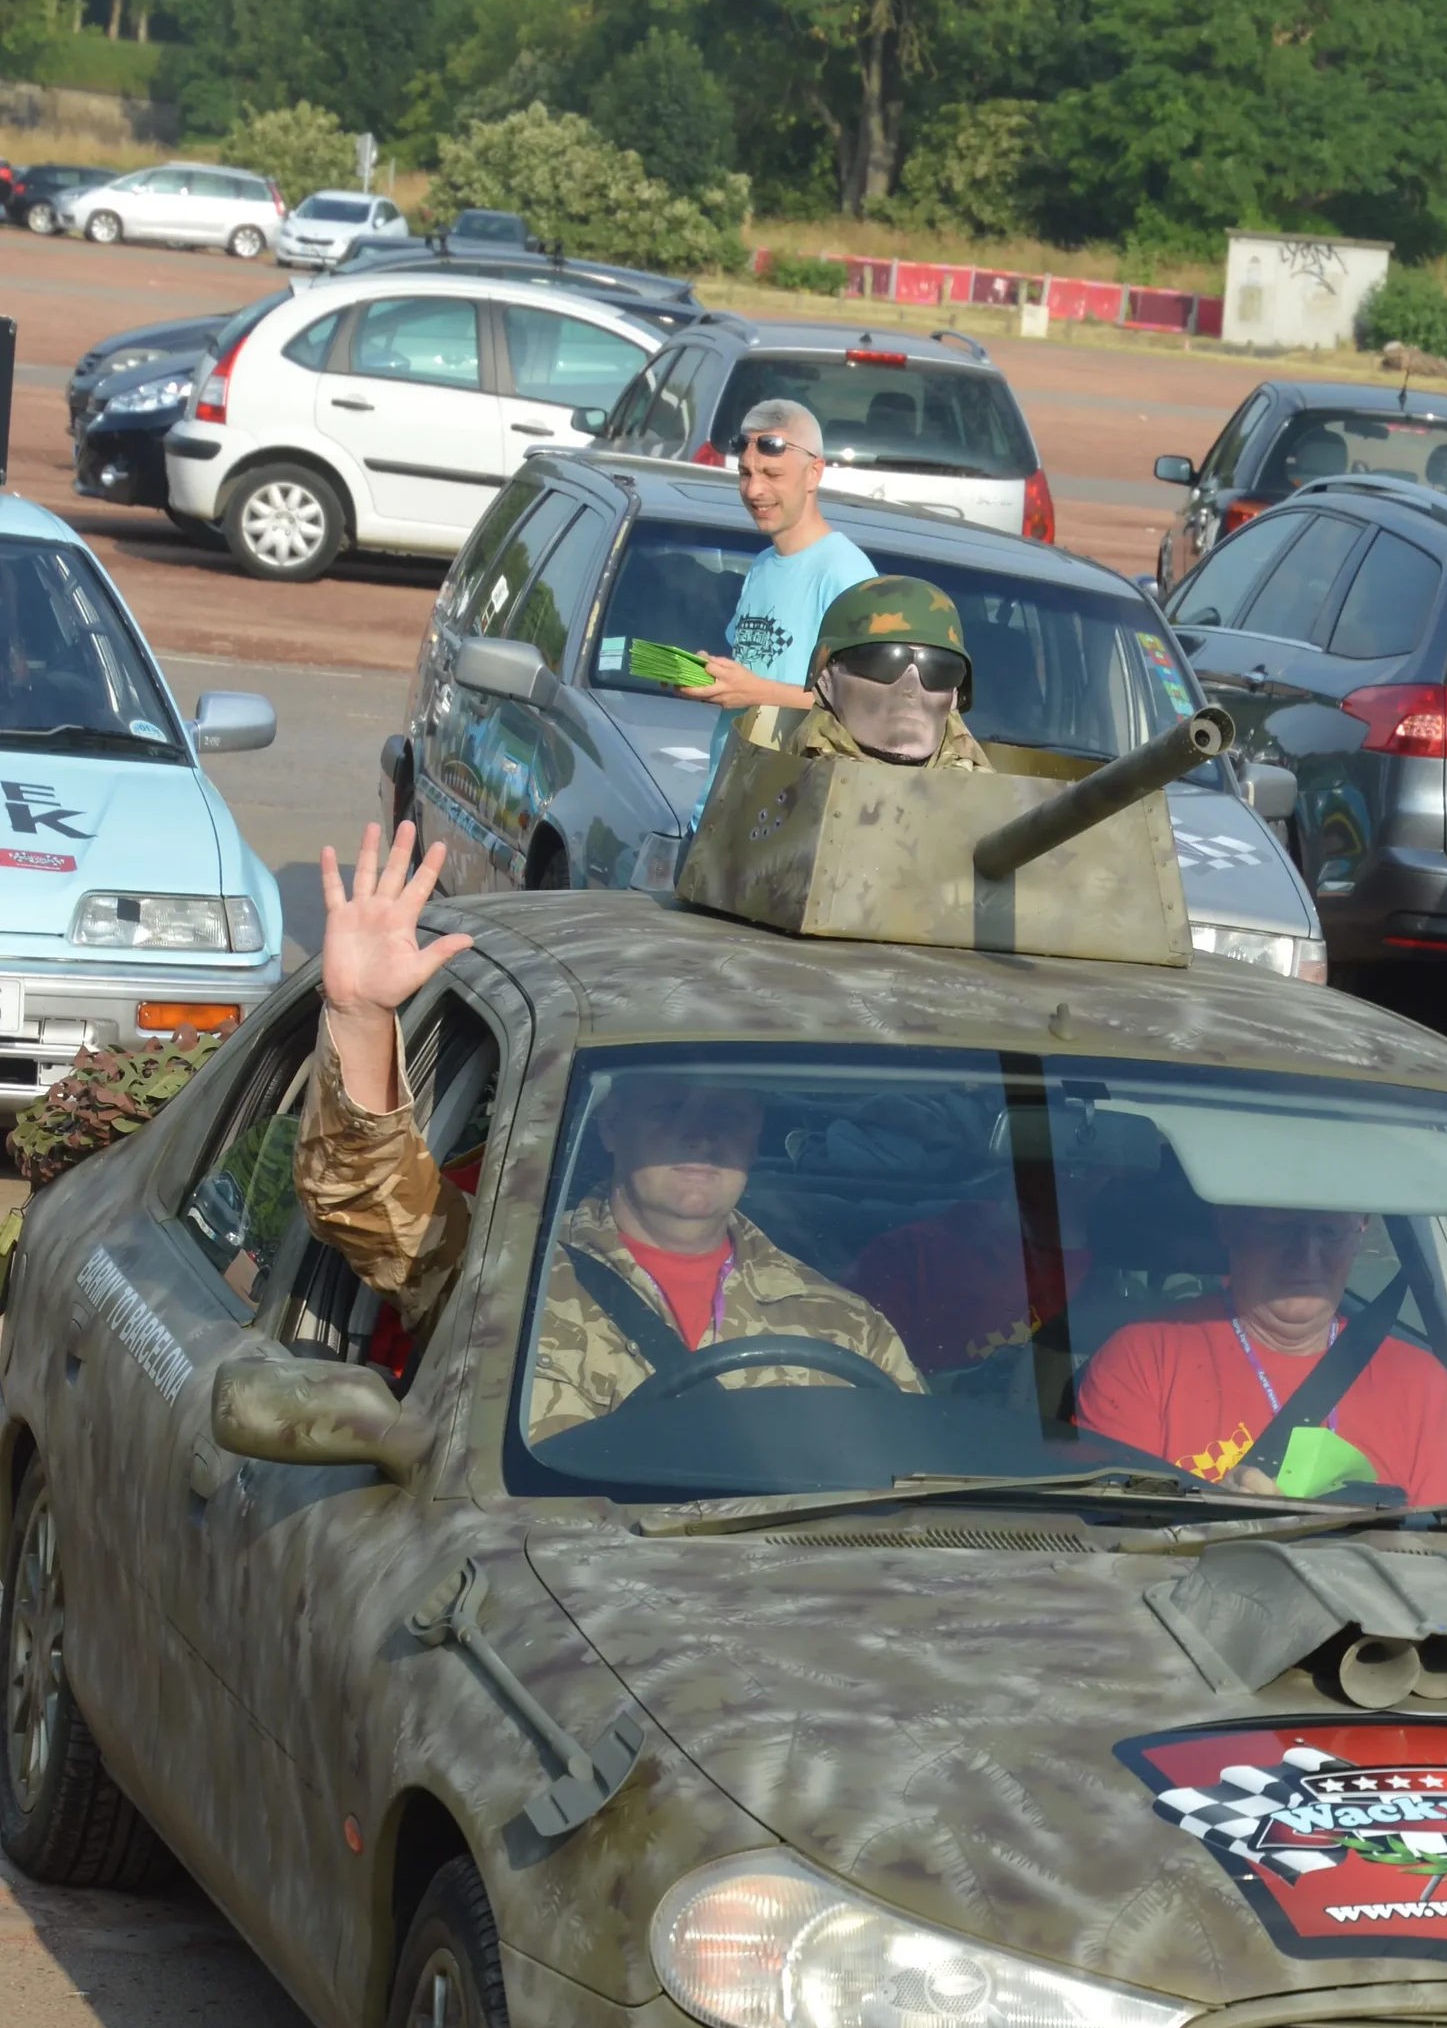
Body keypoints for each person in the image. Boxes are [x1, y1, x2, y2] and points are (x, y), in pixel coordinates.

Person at [295, 820, 922, 1434]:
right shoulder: (499, 1273)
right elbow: (361, 1191)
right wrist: (364, 1016)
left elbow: (919, 1498)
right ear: (614, 1125)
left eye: (726, 1115)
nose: (701, 1135)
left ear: (754, 1136)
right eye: (671, 1108)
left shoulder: (845, 1329)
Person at [1076, 1206, 1447, 1506]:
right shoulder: (1141, 1361)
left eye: (1328, 1231)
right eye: (1280, 1228)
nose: (1305, 1255)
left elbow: (1445, 1569)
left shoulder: (1423, 1388)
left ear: (1361, 1230)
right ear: (1230, 1225)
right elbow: (1113, 1547)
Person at [684, 398, 874, 810]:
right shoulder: (763, 565)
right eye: (746, 473)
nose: (754, 490)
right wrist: (711, 676)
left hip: (782, 823)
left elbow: (866, 707)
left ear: (814, 474)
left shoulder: (845, 574)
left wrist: (753, 691)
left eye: (772, 474)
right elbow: (758, 668)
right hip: (720, 811)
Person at [729, 573, 993, 775]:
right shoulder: (774, 781)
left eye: (940, 669)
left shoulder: (995, 800)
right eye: (882, 662)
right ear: (825, 680)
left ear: (956, 695)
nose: (911, 687)